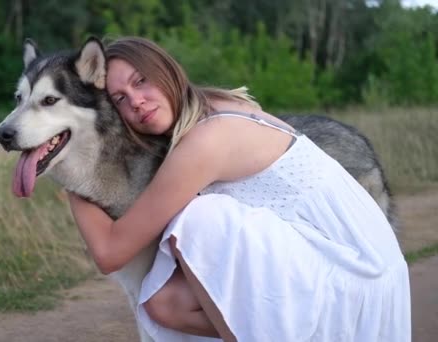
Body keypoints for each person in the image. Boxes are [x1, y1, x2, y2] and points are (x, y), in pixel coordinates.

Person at [67, 36, 411, 342]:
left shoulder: (206, 141)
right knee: (164, 301)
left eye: (141, 81)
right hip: (354, 258)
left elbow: (110, 253)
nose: (136, 101)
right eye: (120, 98)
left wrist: (66, 163)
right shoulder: (214, 104)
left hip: (357, 275)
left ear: (167, 71)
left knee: (197, 222)